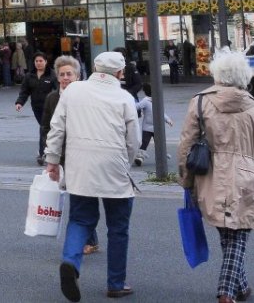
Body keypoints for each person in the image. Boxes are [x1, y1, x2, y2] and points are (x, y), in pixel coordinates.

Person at [177, 50, 254, 303]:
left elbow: (186, 145)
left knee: (228, 231)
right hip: (244, 175)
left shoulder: (200, 102)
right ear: (244, 76)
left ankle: (240, 287)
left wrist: (186, 180)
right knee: (239, 232)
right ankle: (227, 291)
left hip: (209, 175)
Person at [44, 51, 140, 301]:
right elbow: (134, 141)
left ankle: (71, 262)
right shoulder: (125, 97)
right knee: (118, 227)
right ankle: (116, 283)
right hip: (114, 168)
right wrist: (125, 164)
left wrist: (52, 161)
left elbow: (57, 128)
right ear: (120, 74)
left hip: (80, 167)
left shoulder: (73, 91)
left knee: (80, 219)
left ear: (95, 68)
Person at [41, 56, 99, 256]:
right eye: (62, 75)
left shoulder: (87, 96)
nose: (66, 78)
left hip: (82, 154)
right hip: (61, 155)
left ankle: (88, 239)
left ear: (78, 75)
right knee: (77, 198)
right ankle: (87, 238)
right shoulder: (52, 98)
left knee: (80, 198)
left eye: (69, 74)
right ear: (57, 77)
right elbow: (46, 127)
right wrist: (47, 154)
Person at [15, 52, 56, 164]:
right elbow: (24, 91)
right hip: (36, 107)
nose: (38, 63)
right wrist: (19, 103)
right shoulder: (29, 76)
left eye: (41, 61)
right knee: (46, 129)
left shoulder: (52, 75)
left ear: (46, 62)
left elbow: (58, 91)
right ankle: (49, 150)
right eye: (36, 61)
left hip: (49, 108)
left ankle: (42, 154)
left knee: (43, 128)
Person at [132, 83, 173, 167]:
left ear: (145, 92)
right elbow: (162, 113)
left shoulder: (145, 101)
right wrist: (168, 120)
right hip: (157, 127)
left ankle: (140, 157)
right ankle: (162, 155)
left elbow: (137, 107)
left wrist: (130, 103)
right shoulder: (157, 100)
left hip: (146, 127)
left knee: (144, 143)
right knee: (159, 142)